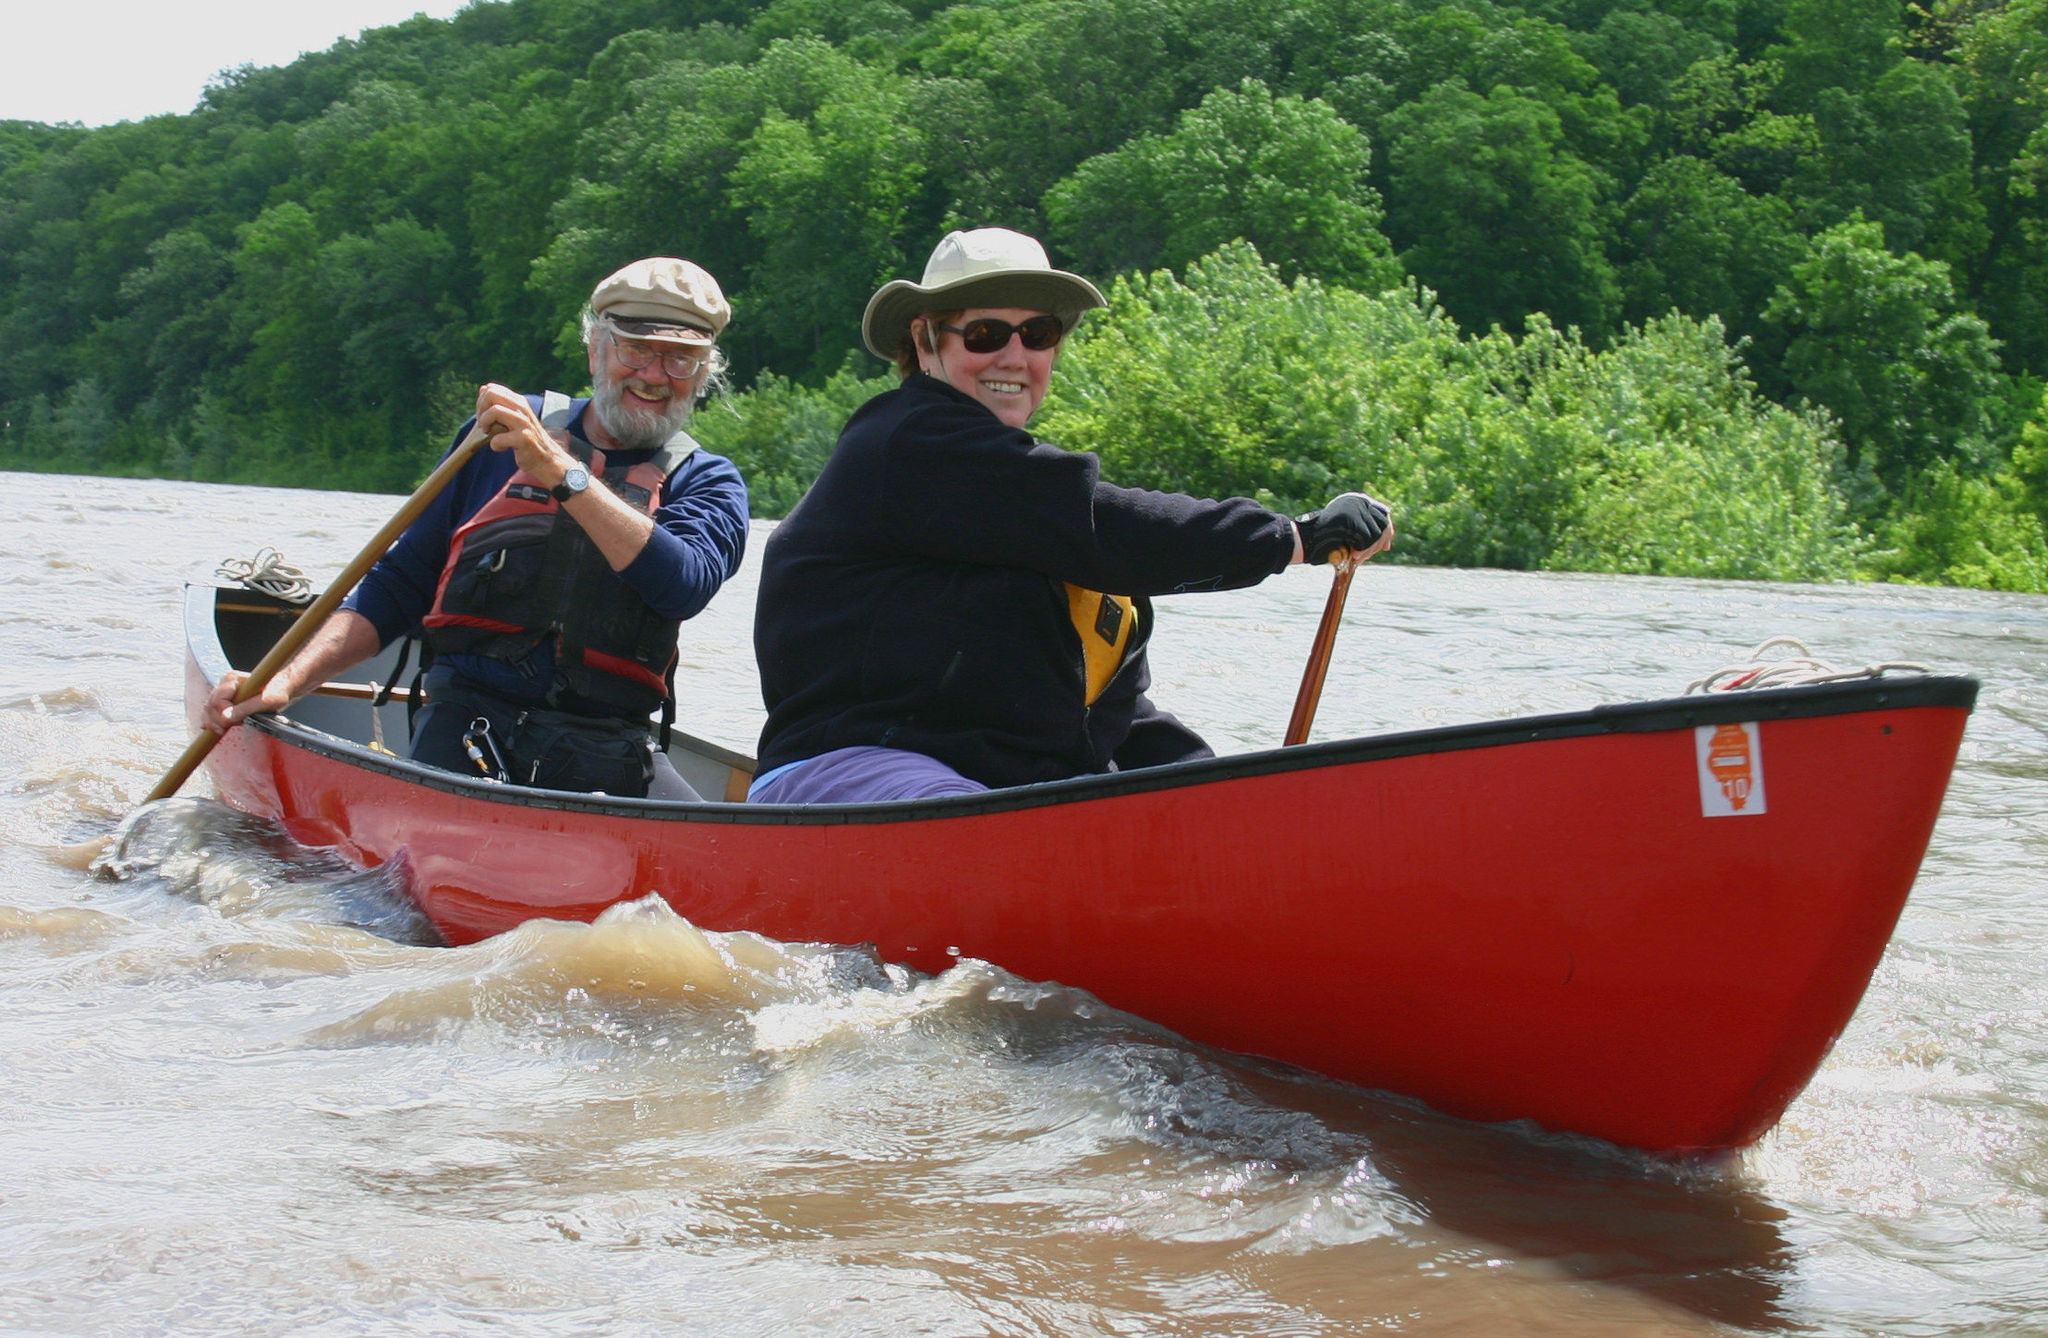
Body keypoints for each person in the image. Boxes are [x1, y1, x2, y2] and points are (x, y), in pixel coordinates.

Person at [748, 227, 1392, 803]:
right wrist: (1294, 538)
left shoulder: (1044, 521)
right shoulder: (906, 441)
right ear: (923, 341)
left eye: (1038, 334)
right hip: (847, 771)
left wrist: (1224, 800)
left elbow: (1121, 720)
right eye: (984, 334)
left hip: (1006, 792)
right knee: (996, 833)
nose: (1013, 356)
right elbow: (1100, 522)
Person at [204, 257, 751, 798]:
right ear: (595, 350)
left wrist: (564, 475)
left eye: (682, 360)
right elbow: (399, 584)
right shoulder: (498, 437)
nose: (655, 375)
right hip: (465, 729)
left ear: (703, 375)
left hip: (608, 749)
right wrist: (287, 680)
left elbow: (683, 584)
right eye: (636, 350)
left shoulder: (710, 482)